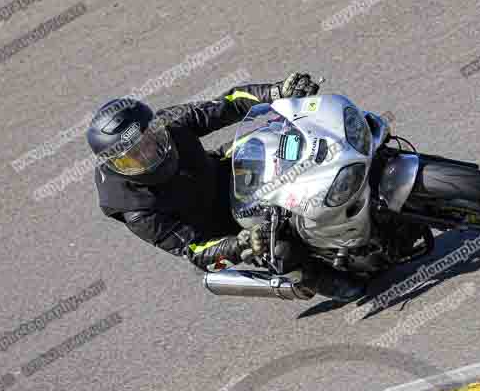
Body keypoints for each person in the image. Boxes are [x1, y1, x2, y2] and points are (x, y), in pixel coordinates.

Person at [87, 72, 365, 301]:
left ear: (155, 128)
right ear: (115, 166)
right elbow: (193, 250)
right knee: (278, 248)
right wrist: (239, 244)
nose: (148, 155)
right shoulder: (135, 210)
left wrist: (277, 92)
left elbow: (228, 103)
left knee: (283, 136)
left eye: (150, 141)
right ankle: (322, 279)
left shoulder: (170, 123)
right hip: (223, 229)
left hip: (223, 171)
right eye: (133, 157)